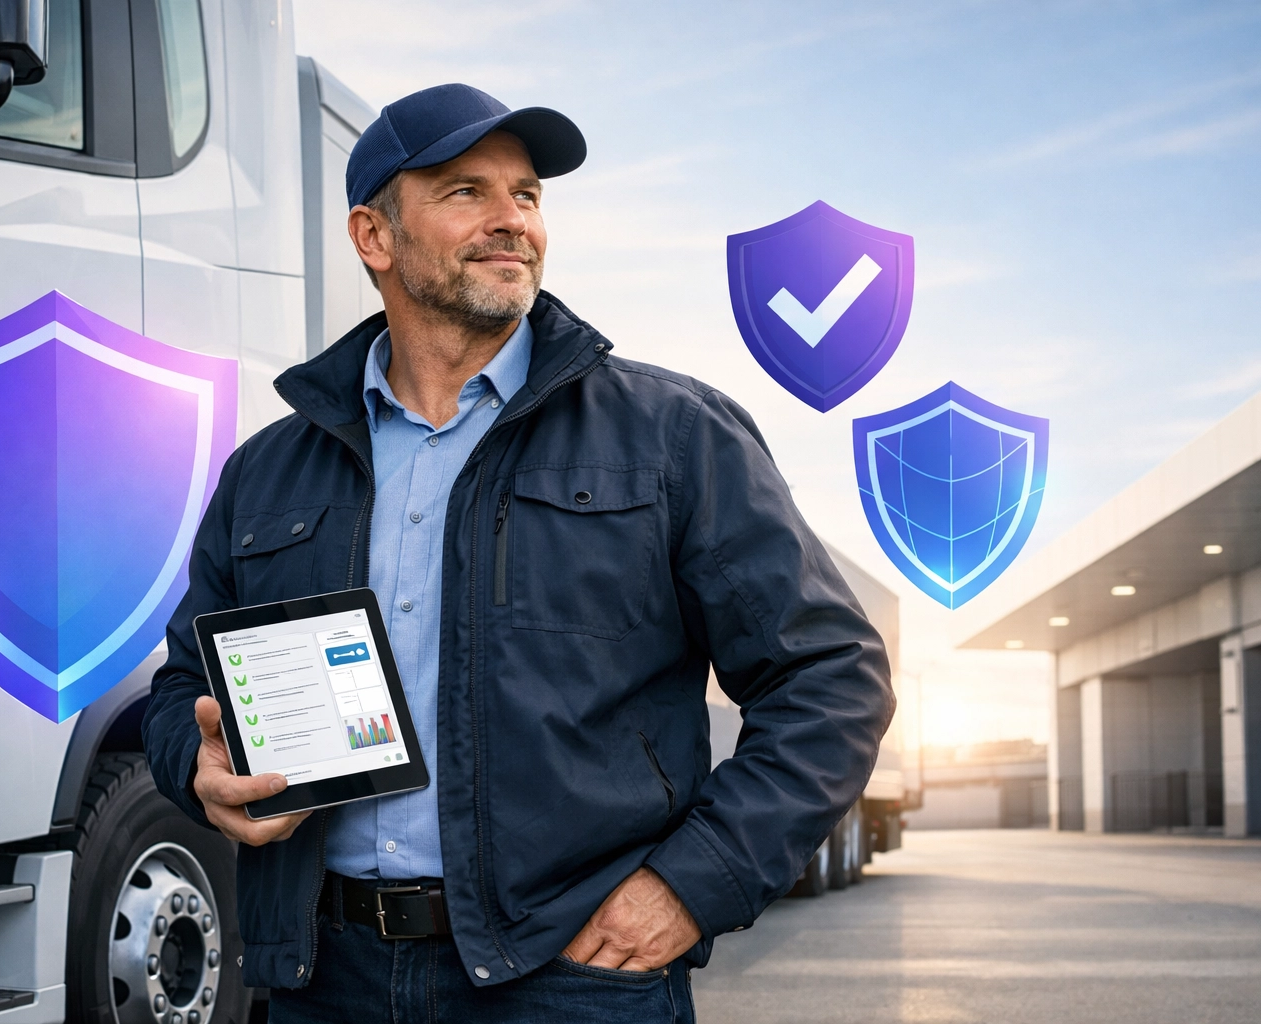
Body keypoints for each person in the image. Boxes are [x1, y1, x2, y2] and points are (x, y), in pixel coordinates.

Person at [144, 82, 892, 1023]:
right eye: (467, 193)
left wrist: (694, 885)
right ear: (374, 237)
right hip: (320, 979)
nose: (513, 222)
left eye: (527, 195)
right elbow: (181, 690)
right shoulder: (269, 471)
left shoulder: (670, 436)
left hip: (570, 981)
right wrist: (199, 770)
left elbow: (832, 678)